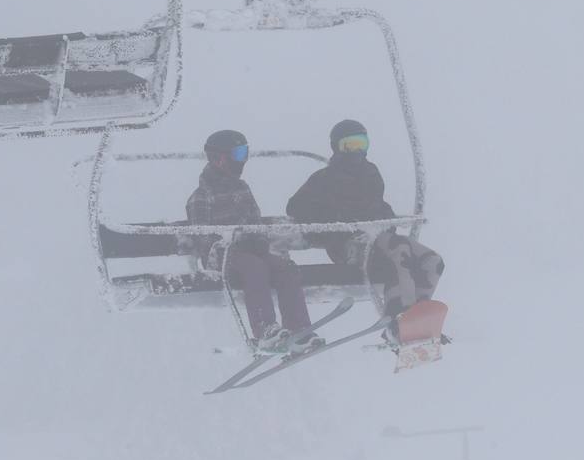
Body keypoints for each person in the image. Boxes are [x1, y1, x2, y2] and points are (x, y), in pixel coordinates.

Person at [286, 120, 445, 322]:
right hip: (349, 245)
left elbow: (377, 204)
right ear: (337, 147)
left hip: (380, 239)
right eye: (349, 145)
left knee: (432, 261)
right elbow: (295, 207)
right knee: (400, 255)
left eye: (361, 144)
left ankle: (418, 316)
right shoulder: (324, 178)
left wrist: (386, 217)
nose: (356, 151)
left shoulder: (371, 174)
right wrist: (334, 220)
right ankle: (397, 318)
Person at [186, 130, 320, 353]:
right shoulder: (202, 196)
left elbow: (254, 220)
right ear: (219, 158)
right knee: (255, 267)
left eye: (245, 153)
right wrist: (233, 241)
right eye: (238, 154)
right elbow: (203, 238)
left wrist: (258, 239)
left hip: (250, 252)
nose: (242, 160)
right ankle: (265, 330)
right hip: (222, 257)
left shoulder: (242, 188)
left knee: (285, 268)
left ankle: (299, 330)